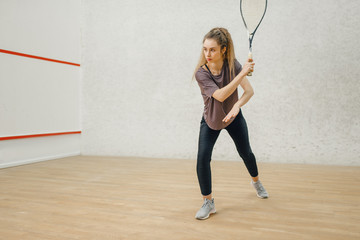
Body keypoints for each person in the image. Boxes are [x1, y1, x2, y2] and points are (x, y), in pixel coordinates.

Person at [193, 27, 269, 220]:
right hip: (211, 120)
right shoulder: (201, 74)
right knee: (202, 158)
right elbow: (219, 95)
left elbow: (249, 92)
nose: (207, 54)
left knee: (246, 153)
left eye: (212, 50)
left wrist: (236, 107)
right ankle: (208, 202)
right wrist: (242, 72)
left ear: (223, 50)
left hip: (233, 118)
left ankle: (256, 181)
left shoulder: (231, 64)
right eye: (205, 49)